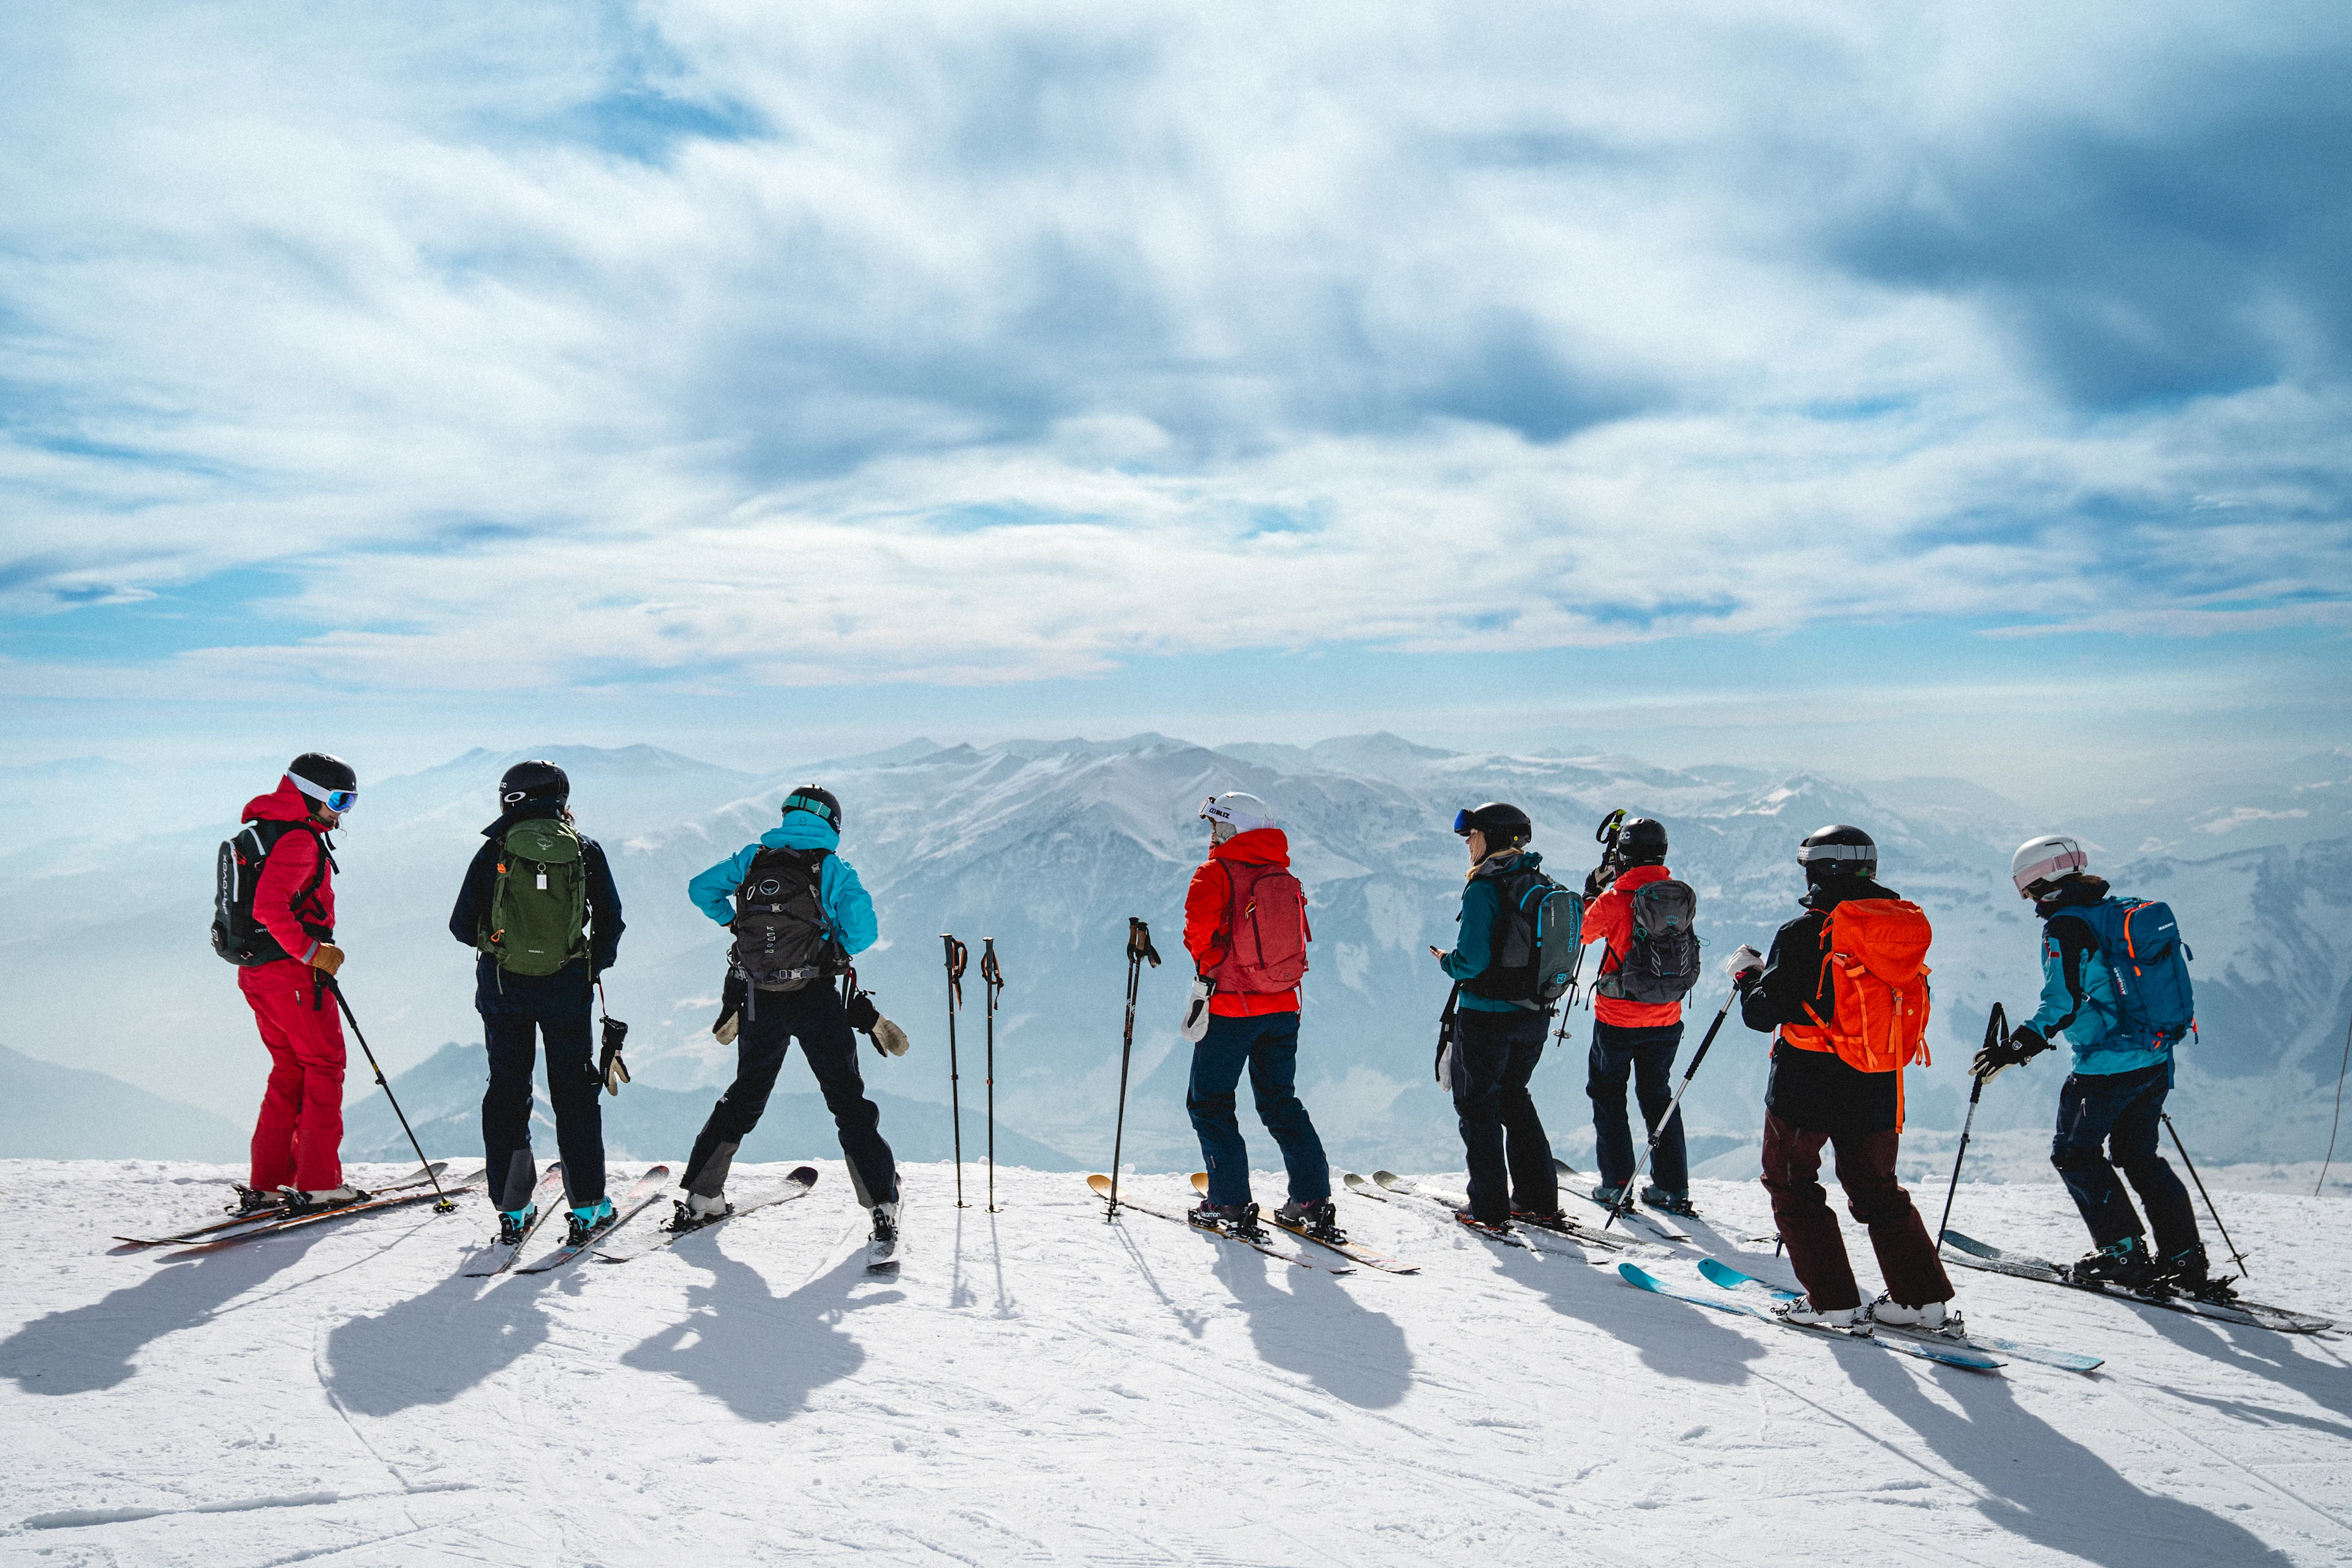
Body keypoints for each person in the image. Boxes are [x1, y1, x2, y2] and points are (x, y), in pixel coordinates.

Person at [1972, 835, 2220, 1297]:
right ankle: (2184, 1258)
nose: (2027, 899)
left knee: (2074, 1154)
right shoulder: (2111, 912)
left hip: (2105, 1067)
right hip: (2154, 1058)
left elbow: (2061, 1003)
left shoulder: (2066, 927)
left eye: (2026, 888)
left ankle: (2121, 1253)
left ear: (2039, 881)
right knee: (2139, 1157)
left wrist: (2014, 1048)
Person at [1734, 823, 1954, 1330]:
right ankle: (1923, 1303)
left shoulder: (1805, 932)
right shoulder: (1899, 928)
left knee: (1791, 1181)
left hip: (1807, 1079)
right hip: (1878, 1074)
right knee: (1877, 1187)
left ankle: (1832, 1302)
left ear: (1817, 872)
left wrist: (1748, 977)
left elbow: (1763, 1013)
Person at [683, 786, 899, 1256]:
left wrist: (733, 924)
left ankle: (702, 1196)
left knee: (746, 1093)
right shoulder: (832, 869)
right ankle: (882, 1204)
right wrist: (831, 945)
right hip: (816, 995)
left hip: (760, 995)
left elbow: (701, 888)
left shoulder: (753, 859)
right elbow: (864, 933)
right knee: (846, 1099)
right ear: (832, 824)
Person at [448, 760, 626, 1249]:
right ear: (560, 800)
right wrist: (589, 965)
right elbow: (610, 919)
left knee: (508, 1091)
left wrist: (500, 948)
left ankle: (513, 1208)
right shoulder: (585, 850)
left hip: (503, 987)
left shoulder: (495, 850)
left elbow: (461, 926)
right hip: (567, 985)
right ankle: (588, 1207)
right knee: (574, 1092)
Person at [1183, 792, 1335, 1237]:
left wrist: (1213, 969)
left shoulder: (1215, 874)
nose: (1213, 834)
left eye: (1218, 826)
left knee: (1210, 1103)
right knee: (1280, 1102)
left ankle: (1228, 1202)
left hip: (1231, 1007)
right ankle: (1311, 1199)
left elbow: (1198, 936)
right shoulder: (1282, 874)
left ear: (1235, 829)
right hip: (1283, 1006)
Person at [228, 753, 361, 1215]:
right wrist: (312, 952)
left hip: (257, 974)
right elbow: (269, 906)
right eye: (339, 801)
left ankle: (268, 1183)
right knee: (324, 1067)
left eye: (350, 802)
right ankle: (320, 1184)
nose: (342, 813)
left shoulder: (267, 828)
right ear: (311, 794)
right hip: (293, 976)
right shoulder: (299, 840)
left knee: (289, 1072)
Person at [1430, 801, 1564, 1231]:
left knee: (1478, 1106)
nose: (1468, 843)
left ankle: (1487, 1208)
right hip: (1535, 1014)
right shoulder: (1540, 882)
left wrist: (1446, 961)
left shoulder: (1484, 888)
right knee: (1514, 1097)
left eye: (1473, 835)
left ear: (1492, 838)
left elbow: (1471, 960)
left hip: (1487, 1016)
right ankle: (1537, 1199)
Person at [1579, 815, 1695, 1213]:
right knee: (1658, 1095)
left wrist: (1591, 892)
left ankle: (1617, 1184)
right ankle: (1672, 1187)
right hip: (1666, 1016)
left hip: (1618, 1018)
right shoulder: (1678, 897)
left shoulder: (1614, 899)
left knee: (1609, 1095)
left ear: (1623, 856)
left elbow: (1582, 932)